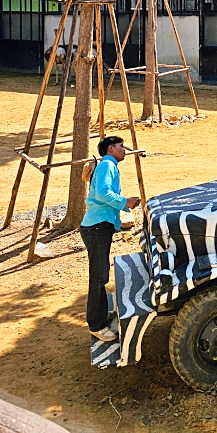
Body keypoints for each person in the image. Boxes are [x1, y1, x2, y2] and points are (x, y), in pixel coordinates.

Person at [81, 136, 140, 342]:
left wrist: (126, 205)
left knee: (101, 274)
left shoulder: (109, 165)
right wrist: (125, 201)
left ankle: (101, 316)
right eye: (121, 147)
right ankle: (96, 325)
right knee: (98, 277)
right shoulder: (107, 165)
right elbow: (103, 193)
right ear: (110, 148)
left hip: (99, 226)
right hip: (96, 227)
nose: (124, 150)